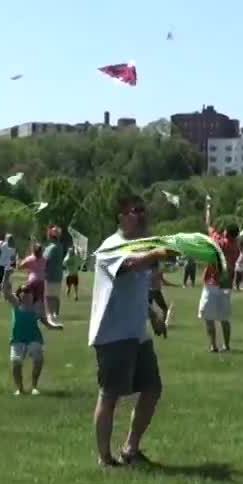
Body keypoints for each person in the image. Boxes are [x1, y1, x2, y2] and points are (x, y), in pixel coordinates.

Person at [89, 194, 173, 468]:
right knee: (110, 395)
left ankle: (131, 448)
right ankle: (104, 457)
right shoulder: (111, 247)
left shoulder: (139, 247)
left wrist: (154, 316)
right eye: (136, 211)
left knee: (152, 389)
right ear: (122, 217)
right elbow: (128, 267)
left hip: (137, 335)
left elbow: (137, 290)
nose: (142, 216)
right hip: (113, 335)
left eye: (143, 211)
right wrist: (156, 253)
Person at [199, 197, 240, 352]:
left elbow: (208, 224)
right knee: (224, 317)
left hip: (212, 283)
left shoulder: (219, 242)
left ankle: (213, 344)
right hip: (226, 285)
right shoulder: (236, 248)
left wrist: (208, 207)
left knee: (208, 316)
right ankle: (227, 345)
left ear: (226, 233)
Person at [6, 283, 62, 396]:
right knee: (16, 362)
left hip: (34, 338)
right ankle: (20, 390)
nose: (26, 293)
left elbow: (46, 323)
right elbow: (6, 293)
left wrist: (55, 327)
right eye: (23, 291)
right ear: (19, 295)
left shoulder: (38, 307)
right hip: (18, 339)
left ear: (33, 295)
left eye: (28, 291)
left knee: (38, 359)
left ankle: (34, 387)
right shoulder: (17, 304)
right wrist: (6, 275)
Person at [42, 226, 71, 323]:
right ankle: (55, 314)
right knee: (55, 296)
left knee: (48, 296)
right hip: (58, 274)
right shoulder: (60, 246)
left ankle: (50, 315)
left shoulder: (51, 247)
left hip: (50, 274)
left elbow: (45, 260)